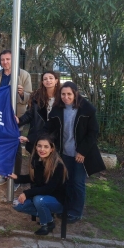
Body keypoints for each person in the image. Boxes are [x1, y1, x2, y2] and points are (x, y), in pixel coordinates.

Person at [45, 81, 106, 223]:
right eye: (63, 94)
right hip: (64, 153)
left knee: (77, 182)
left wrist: (82, 152)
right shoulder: (58, 109)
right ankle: (66, 208)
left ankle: (76, 212)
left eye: (69, 94)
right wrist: (35, 139)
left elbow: (93, 132)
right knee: (66, 181)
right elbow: (49, 128)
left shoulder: (87, 109)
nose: (66, 97)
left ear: (75, 94)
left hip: (80, 154)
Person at [0, 50, 32, 190]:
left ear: (13, 60)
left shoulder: (24, 75)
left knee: (16, 147)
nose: (5, 62)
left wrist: (21, 94)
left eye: (8, 59)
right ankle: (4, 173)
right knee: (2, 145)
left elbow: (28, 98)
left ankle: (16, 178)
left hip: (15, 117)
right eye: (2, 59)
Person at [9, 134, 68, 235]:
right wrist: (17, 177)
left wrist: (26, 193)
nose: (42, 149)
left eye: (46, 147)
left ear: (52, 149)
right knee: (16, 204)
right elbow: (32, 178)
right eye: (39, 146)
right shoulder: (38, 161)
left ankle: (47, 224)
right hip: (41, 198)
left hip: (57, 201)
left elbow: (49, 189)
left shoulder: (58, 166)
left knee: (38, 199)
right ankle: (47, 215)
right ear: (35, 147)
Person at [17, 71, 60, 154]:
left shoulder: (62, 97)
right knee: (37, 164)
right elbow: (29, 114)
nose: (48, 80)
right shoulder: (37, 97)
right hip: (38, 134)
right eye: (45, 79)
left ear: (56, 81)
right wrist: (19, 121)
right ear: (42, 82)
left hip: (56, 136)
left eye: (51, 78)